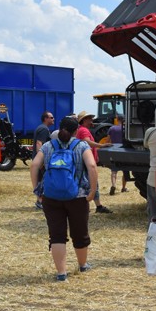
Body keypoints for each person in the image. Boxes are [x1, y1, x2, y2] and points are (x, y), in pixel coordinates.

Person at [30, 116, 98, 281]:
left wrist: (37, 190)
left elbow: (34, 165)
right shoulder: (81, 146)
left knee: (57, 235)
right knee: (79, 232)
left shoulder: (48, 146)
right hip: (78, 196)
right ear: (76, 131)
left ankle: (61, 273)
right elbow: (92, 166)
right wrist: (93, 191)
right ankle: (82, 265)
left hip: (51, 196)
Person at [75, 110, 113, 213]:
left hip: (86, 161)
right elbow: (87, 142)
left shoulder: (82, 129)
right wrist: (101, 145)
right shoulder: (84, 130)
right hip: (87, 162)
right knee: (92, 183)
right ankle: (96, 206)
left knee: (90, 183)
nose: (92, 120)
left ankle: (96, 205)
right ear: (84, 120)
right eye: (89, 118)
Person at [32, 111, 55, 209]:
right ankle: (40, 201)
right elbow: (39, 144)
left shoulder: (42, 128)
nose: (53, 119)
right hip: (41, 160)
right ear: (46, 119)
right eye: (51, 117)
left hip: (40, 160)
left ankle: (40, 200)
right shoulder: (43, 129)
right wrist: (41, 160)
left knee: (41, 181)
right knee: (42, 181)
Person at [107, 123, 128, 195]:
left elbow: (107, 140)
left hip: (114, 150)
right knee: (125, 171)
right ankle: (123, 188)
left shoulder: (112, 128)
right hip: (124, 150)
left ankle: (113, 185)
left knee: (114, 171)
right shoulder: (126, 128)